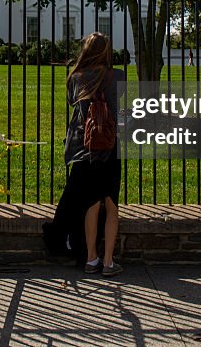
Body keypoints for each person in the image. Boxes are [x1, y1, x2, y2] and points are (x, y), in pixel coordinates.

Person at [61, 32, 125, 277]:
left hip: (84, 147)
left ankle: (91, 258)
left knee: (90, 204)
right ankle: (109, 261)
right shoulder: (118, 76)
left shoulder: (76, 78)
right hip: (110, 146)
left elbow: (73, 107)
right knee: (111, 204)